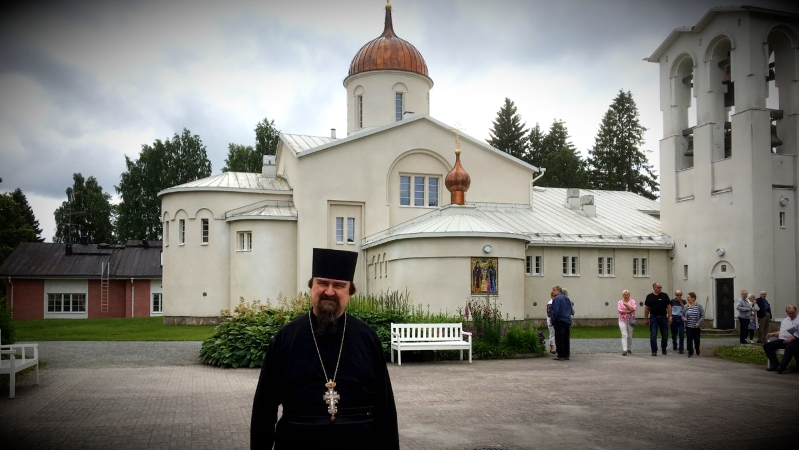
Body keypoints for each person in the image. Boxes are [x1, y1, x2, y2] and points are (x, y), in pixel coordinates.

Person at [251, 248, 399, 450]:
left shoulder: (367, 337)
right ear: (311, 287)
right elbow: (264, 407)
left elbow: (385, 408)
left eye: (339, 285)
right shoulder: (286, 337)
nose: (329, 291)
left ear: (350, 292)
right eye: (322, 283)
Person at [763, 305, 799, 374]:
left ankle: (782, 367)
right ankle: (775, 364)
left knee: (790, 347)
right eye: (789, 313)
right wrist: (773, 334)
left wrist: (790, 340)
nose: (791, 315)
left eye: (793, 313)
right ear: (787, 313)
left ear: (796, 311)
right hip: (783, 339)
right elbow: (783, 332)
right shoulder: (785, 320)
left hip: (795, 340)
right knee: (767, 346)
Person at [644, 282, 672, 356]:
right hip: (654, 317)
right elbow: (647, 308)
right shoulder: (649, 296)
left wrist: (670, 316)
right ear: (654, 288)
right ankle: (654, 350)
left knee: (665, 334)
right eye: (658, 287)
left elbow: (669, 306)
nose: (660, 289)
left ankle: (664, 348)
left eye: (660, 287)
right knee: (653, 334)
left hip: (663, 317)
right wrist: (646, 319)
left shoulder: (664, 295)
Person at [550, 285, 573, 361]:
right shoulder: (566, 298)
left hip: (560, 320)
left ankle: (560, 355)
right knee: (566, 338)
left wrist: (553, 320)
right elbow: (571, 310)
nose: (553, 291)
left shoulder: (557, 299)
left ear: (558, 291)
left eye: (554, 290)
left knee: (559, 338)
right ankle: (566, 354)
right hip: (567, 320)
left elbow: (556, 311)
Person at [681, 292, 704, 357]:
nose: (687, 298)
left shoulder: (699, 306)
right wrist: (684, 318)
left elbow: (703, 316)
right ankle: (690, 351)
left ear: (693, 298)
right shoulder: (686, 306)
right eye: (687, 297)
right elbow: (682, 315)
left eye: (689, 297)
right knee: (689, 339)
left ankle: (697, 348)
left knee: (697, 339)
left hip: (696, 326)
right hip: (688, 326)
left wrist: (698, 322)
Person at [617, 290, 637, 356]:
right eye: (625, 295)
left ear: (629, 295)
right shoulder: (620, 302)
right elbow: (620, 311)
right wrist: (629, 311)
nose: (626, 296)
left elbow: (634, 309)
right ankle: (624, 350)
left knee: (630, 335)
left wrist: (627, 305)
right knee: (624, 334)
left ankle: (629, 348)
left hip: (630, 320)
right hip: (622, 320)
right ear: (623, 295)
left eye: (627, 295)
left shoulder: (632, 301)